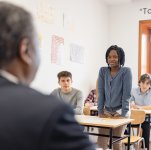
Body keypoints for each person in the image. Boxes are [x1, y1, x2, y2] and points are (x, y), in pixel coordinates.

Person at [0, 2, 95, 150]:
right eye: (37, 44)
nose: (65, 83)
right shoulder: (50, 111)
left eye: (67, 80)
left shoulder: (70, 96)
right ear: (25, 50)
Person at [97, 45, 132, 150]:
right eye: (109, 57)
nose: (112, 59)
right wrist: (100, 111)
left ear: (120, 58)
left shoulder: (126, 71)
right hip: (107, 111)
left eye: (115, 56)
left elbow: (126, 95)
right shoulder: (103, 71)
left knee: (116, 142)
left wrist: (123, 113)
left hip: (121, 110)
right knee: (101, 141)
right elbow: (101, 92)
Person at [130, 73, 151, 148]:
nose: (144, 86)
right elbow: (130, 101)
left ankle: (144, 147)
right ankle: (129, 145)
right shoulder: (134, 90)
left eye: (147, 83)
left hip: (149, 117)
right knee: (124, 123)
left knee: (145, 124)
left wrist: (142, 108)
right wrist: (132, 104)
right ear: (139, 82)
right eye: (143, 83)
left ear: (150, 85)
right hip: (136, 117)